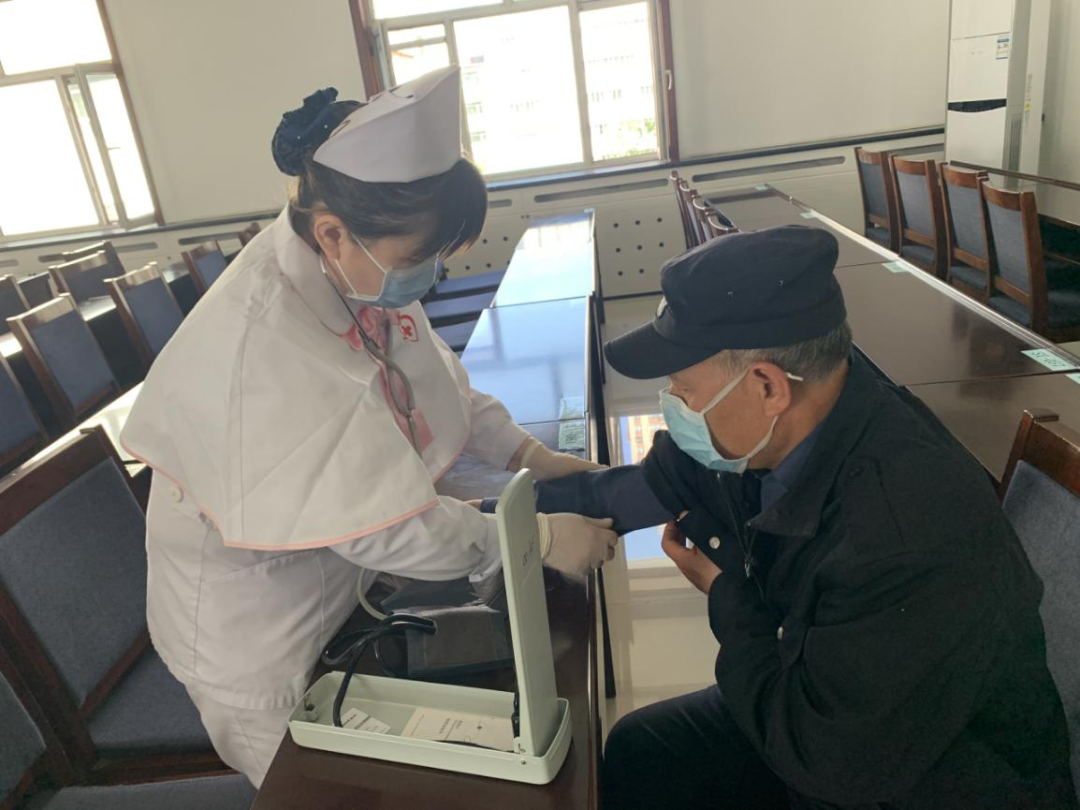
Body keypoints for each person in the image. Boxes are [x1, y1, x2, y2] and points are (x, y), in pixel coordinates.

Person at [120, 66, 616, 786]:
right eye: (422, 257)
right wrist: (532, 537)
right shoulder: (264, 346)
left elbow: (434, 380)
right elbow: (385, 528)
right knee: (326, 792)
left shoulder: (352, 263)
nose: (431, 273)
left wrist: (526, 453)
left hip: (342, 588)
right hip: (259, 634)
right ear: (332, 232)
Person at [549, 227, 1075, 809]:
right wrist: (515, 520)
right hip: (834, 692)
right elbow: (641, 488)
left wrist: (728, 597)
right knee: (643, 748)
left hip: (928, 774)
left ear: (768, 386)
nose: (673, 404)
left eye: (684, 388)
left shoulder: (903, 532)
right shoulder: (801, 416)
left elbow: (829, 763)